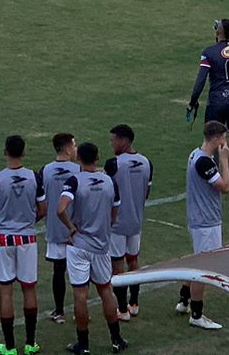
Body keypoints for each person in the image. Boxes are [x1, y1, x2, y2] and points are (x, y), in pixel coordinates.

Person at [55, 141, 128, 354]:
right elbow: (115, 212)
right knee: (105, 290)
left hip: (79, 245)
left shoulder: (74, 181)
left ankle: (83, 344)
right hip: (101, 246)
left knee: (80, 293)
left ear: (79, 159)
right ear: (97, 159)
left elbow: (60, 209)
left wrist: (71, 228)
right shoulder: (109, 181)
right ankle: (116, 339)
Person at [0, 134, 44, 355]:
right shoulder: (34, 177)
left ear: (5, 151)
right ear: (24, 152)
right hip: (27, 238)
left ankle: (9, 347)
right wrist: (28, 223)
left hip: (2, 239)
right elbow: (43, 209)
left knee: (6, 292)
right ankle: (30, 343)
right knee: (29, 288)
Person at [187, 20, 229, 198]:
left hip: (217, 101)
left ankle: (213, 180)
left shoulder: (209, 52)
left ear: (217, 33)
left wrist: (193, 101)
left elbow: (201, 80)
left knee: (212, 141)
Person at [176, 121, 229, 331]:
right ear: (216, 138)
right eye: (224, 137)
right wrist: (224, 160)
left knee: (198, 259)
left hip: (199, 218)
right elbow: (225, 187)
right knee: (204, 267)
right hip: (206, 221)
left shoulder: (195, 154)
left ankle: (183, 300)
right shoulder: (205, 162)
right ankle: (196, 315)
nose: (225, 142)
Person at [104, 125, 151, 321]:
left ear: (124, 141)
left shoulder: (113, 164)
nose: (111, 143)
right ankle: (134, 303)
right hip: (136, 221)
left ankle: (122, 309)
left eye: (113, 139)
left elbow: (107, 193)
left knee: (117, 265)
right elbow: (146, 192)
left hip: (117, 224)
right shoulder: (146, 162)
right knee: (133, 261)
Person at [42, 133, 80, 326]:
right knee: (79, 272)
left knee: (58, 270)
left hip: (55, 229)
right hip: (76, 231)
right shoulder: (78, 169)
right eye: (74, 145)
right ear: (67, 149)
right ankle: (80, 310)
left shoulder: (46, 170)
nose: (75, 148)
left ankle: (59, 311)